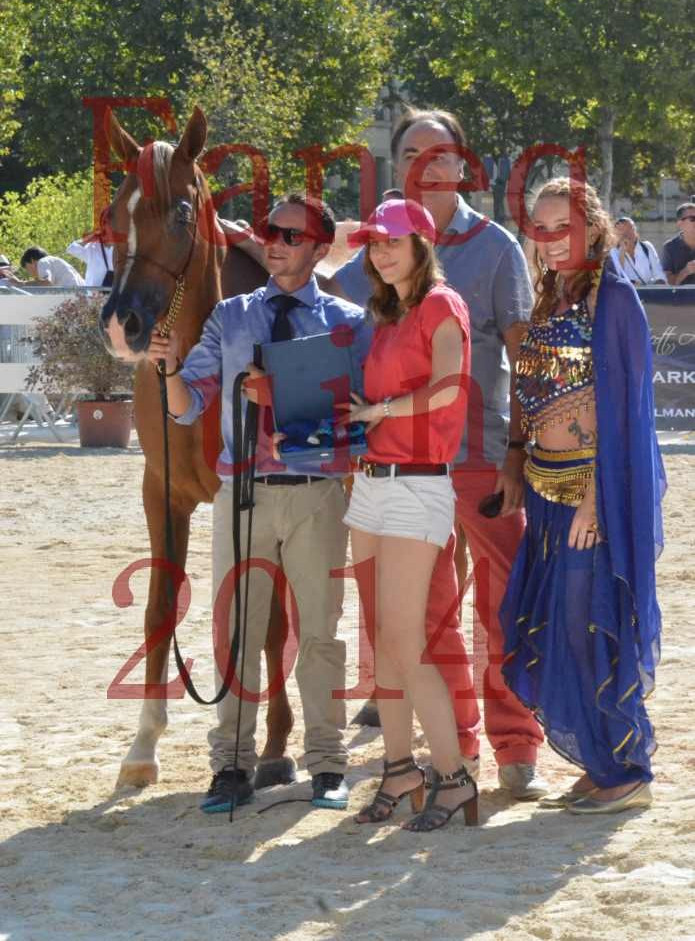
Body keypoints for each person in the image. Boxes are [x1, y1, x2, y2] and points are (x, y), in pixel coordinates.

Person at [328, 107, 547, 800]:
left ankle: (517, 747)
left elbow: (521, 356)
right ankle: (460, 754)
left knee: (503, 604)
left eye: (441, 153)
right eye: (413, 154)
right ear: (398, 167)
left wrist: (517, 455)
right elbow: (325, 313)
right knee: (427, 615)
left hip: (481, 454)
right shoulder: (381, 248)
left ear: (461, 164)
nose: (428, 165)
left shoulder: (497, 249)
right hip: (404, 465)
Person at [144, 193, 369, 814]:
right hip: (241, 495)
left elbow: (364, 417)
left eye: (292, 236)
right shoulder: (231, 317)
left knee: (320, 633)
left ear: (321, 248)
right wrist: (167, 372)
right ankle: (231, 767)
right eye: (272, 231)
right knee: (236, 633)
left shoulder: (351, 323)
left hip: (319, 494)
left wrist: (298, 406)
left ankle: (326, 765)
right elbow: (187, 404)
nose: (276, 242)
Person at [500, 178, 665, 815]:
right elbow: (531, 393)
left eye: (560, 227)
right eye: (538, 229)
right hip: (544, 489)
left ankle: (627, 768)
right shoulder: (552, 296)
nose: (548, 241)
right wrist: (517, 463)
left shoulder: (613, 299)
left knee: (587, 615)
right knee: (555, 624)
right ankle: (602, 761)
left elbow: (623, 410)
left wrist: (596, 502)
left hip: (593, 494)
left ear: (592, 226)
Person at [342, 197, 478, 831]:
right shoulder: (388, 316)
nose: (381, 251)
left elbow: (450, 385)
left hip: (418, 488)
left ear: (423, 244)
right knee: (379, 644)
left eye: (392, 240)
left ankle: (454, 778)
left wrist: (381, 413)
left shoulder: (441, 305)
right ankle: (400, 772)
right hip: (371, 486)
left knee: (403, 641)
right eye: (373, 243)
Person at [614, 216, 666, 285]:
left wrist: (654, 286)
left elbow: (659, 274)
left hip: (648, 293)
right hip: (627, 293)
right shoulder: (614, 252)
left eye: (630, 228)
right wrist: (622, 252)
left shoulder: (646, 247)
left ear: (635, 230)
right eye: (622, 230)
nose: (627, 233)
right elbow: (617, 277)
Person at [661, 203, 695, 285]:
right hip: (682, 297)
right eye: (692, 219)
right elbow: (667, 284)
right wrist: (685, 271)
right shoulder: (669, 247)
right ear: (680, 223)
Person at [20, 247, 85, 287]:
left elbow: (47, 283)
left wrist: (21, 283)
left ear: (32, 261)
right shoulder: (52, 261)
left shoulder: (42, 262)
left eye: (27, 268)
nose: (29, 273)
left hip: (74, 298)